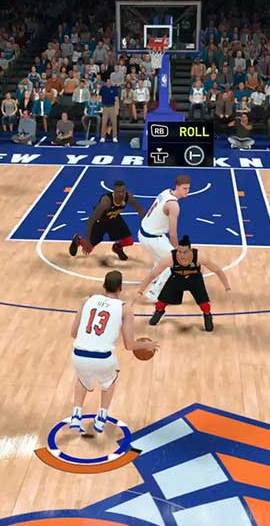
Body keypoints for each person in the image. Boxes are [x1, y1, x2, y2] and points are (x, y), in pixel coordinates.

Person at [67, 270, 157, 435]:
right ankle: (101, 417)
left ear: (103, 285)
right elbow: (129, 345)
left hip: (78, 355)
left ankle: (76, 415)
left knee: (82, 378)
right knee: (110, 380)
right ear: (120, 288)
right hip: (103, 359)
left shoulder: (88, 300)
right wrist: (147, 345)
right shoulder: (125, 308)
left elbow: (73, 333)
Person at [138, 236, 231, 332]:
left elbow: (218, 271)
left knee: (204, 304)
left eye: (185, 252)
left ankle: (207, 316)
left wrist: (227, 287)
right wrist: (140, 291)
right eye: (179, 252)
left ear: (190, 250)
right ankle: (158, 312)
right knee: (161, 302)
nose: (182, 255)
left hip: (194, 279)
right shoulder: (170, 258)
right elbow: (152, 275)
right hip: (177, 278)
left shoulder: (199, 257)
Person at [138, 174, 190, 301]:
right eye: (184, 188)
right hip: (152, 238)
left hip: (144, 232)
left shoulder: (166, 192)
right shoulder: (174, 206)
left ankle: (155, 278)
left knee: (160, 258)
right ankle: (154, 293)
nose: (187, 191)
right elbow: (173, 233)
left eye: (188, 188)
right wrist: (177, 251)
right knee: (173, 261)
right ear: (177, 186)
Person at [70, 179, 145, 261]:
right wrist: (87, 240)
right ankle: (78, 239)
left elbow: (137, 207)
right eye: (118, 192)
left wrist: (145, 218)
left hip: (114, 218)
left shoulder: (128, 196)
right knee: (89, 248)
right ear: (114, 192)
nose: (121, 194)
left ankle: (117, 247)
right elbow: (91, 219)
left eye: (123, 191)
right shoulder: (106, 201)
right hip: (100, 222)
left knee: (129, 241)